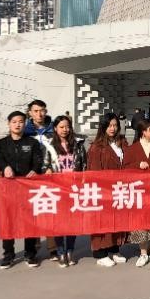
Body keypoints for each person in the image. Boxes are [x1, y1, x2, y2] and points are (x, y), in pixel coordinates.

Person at [0, 111, 44, 268]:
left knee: (29, 221)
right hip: (8, 189)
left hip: (28, 188)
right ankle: (8, 255)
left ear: (25, 124)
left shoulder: (32, 143)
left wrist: (35, 170)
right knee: (8, 221)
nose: (17, 124)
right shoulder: (2, 144)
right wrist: (4, 167)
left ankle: (30, 254)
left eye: (21, 122)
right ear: (9, 124)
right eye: (14, 122)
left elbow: (38, 160)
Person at [42, 115, 87, 268]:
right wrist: (47, 170)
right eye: (61, 127)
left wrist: (82, 183)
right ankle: (60, 251)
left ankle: (70, 251)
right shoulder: (50, 146)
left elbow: (84, 165)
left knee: (73, 222)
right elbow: (45, 165)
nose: (65, 130)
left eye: (67, 126)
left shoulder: (78, 144)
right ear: (55, 128)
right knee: (58, 223)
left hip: (73, 189)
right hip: (57, 189)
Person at [123, 120, 150, 268]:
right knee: (139, 222)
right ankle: (143, 253)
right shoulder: (133, 148)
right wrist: (138, 165)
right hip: (139, 191)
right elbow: (125, 167)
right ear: (143, 132)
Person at [87, 113, 129, 267]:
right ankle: (100, 252)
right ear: (103, 127)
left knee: (117, 220)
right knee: (102, 220)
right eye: (109, 125)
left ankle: (114, 248)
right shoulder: (96, 147)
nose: (113, 128)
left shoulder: (122, 142)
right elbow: (94, 172)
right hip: (103, 190)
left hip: (120, 189)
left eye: (115, 125)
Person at [24, 98, 57, 259]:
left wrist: (52, 167)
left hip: (51, 176)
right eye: (36, 111)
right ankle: (33, 247)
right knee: (33, 213)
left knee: (50, 210)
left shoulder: (53, 129)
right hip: (31, 178)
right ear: (30, 113)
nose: (39, 114)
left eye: (42, 110)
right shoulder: (25, 131)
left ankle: (53, 247)